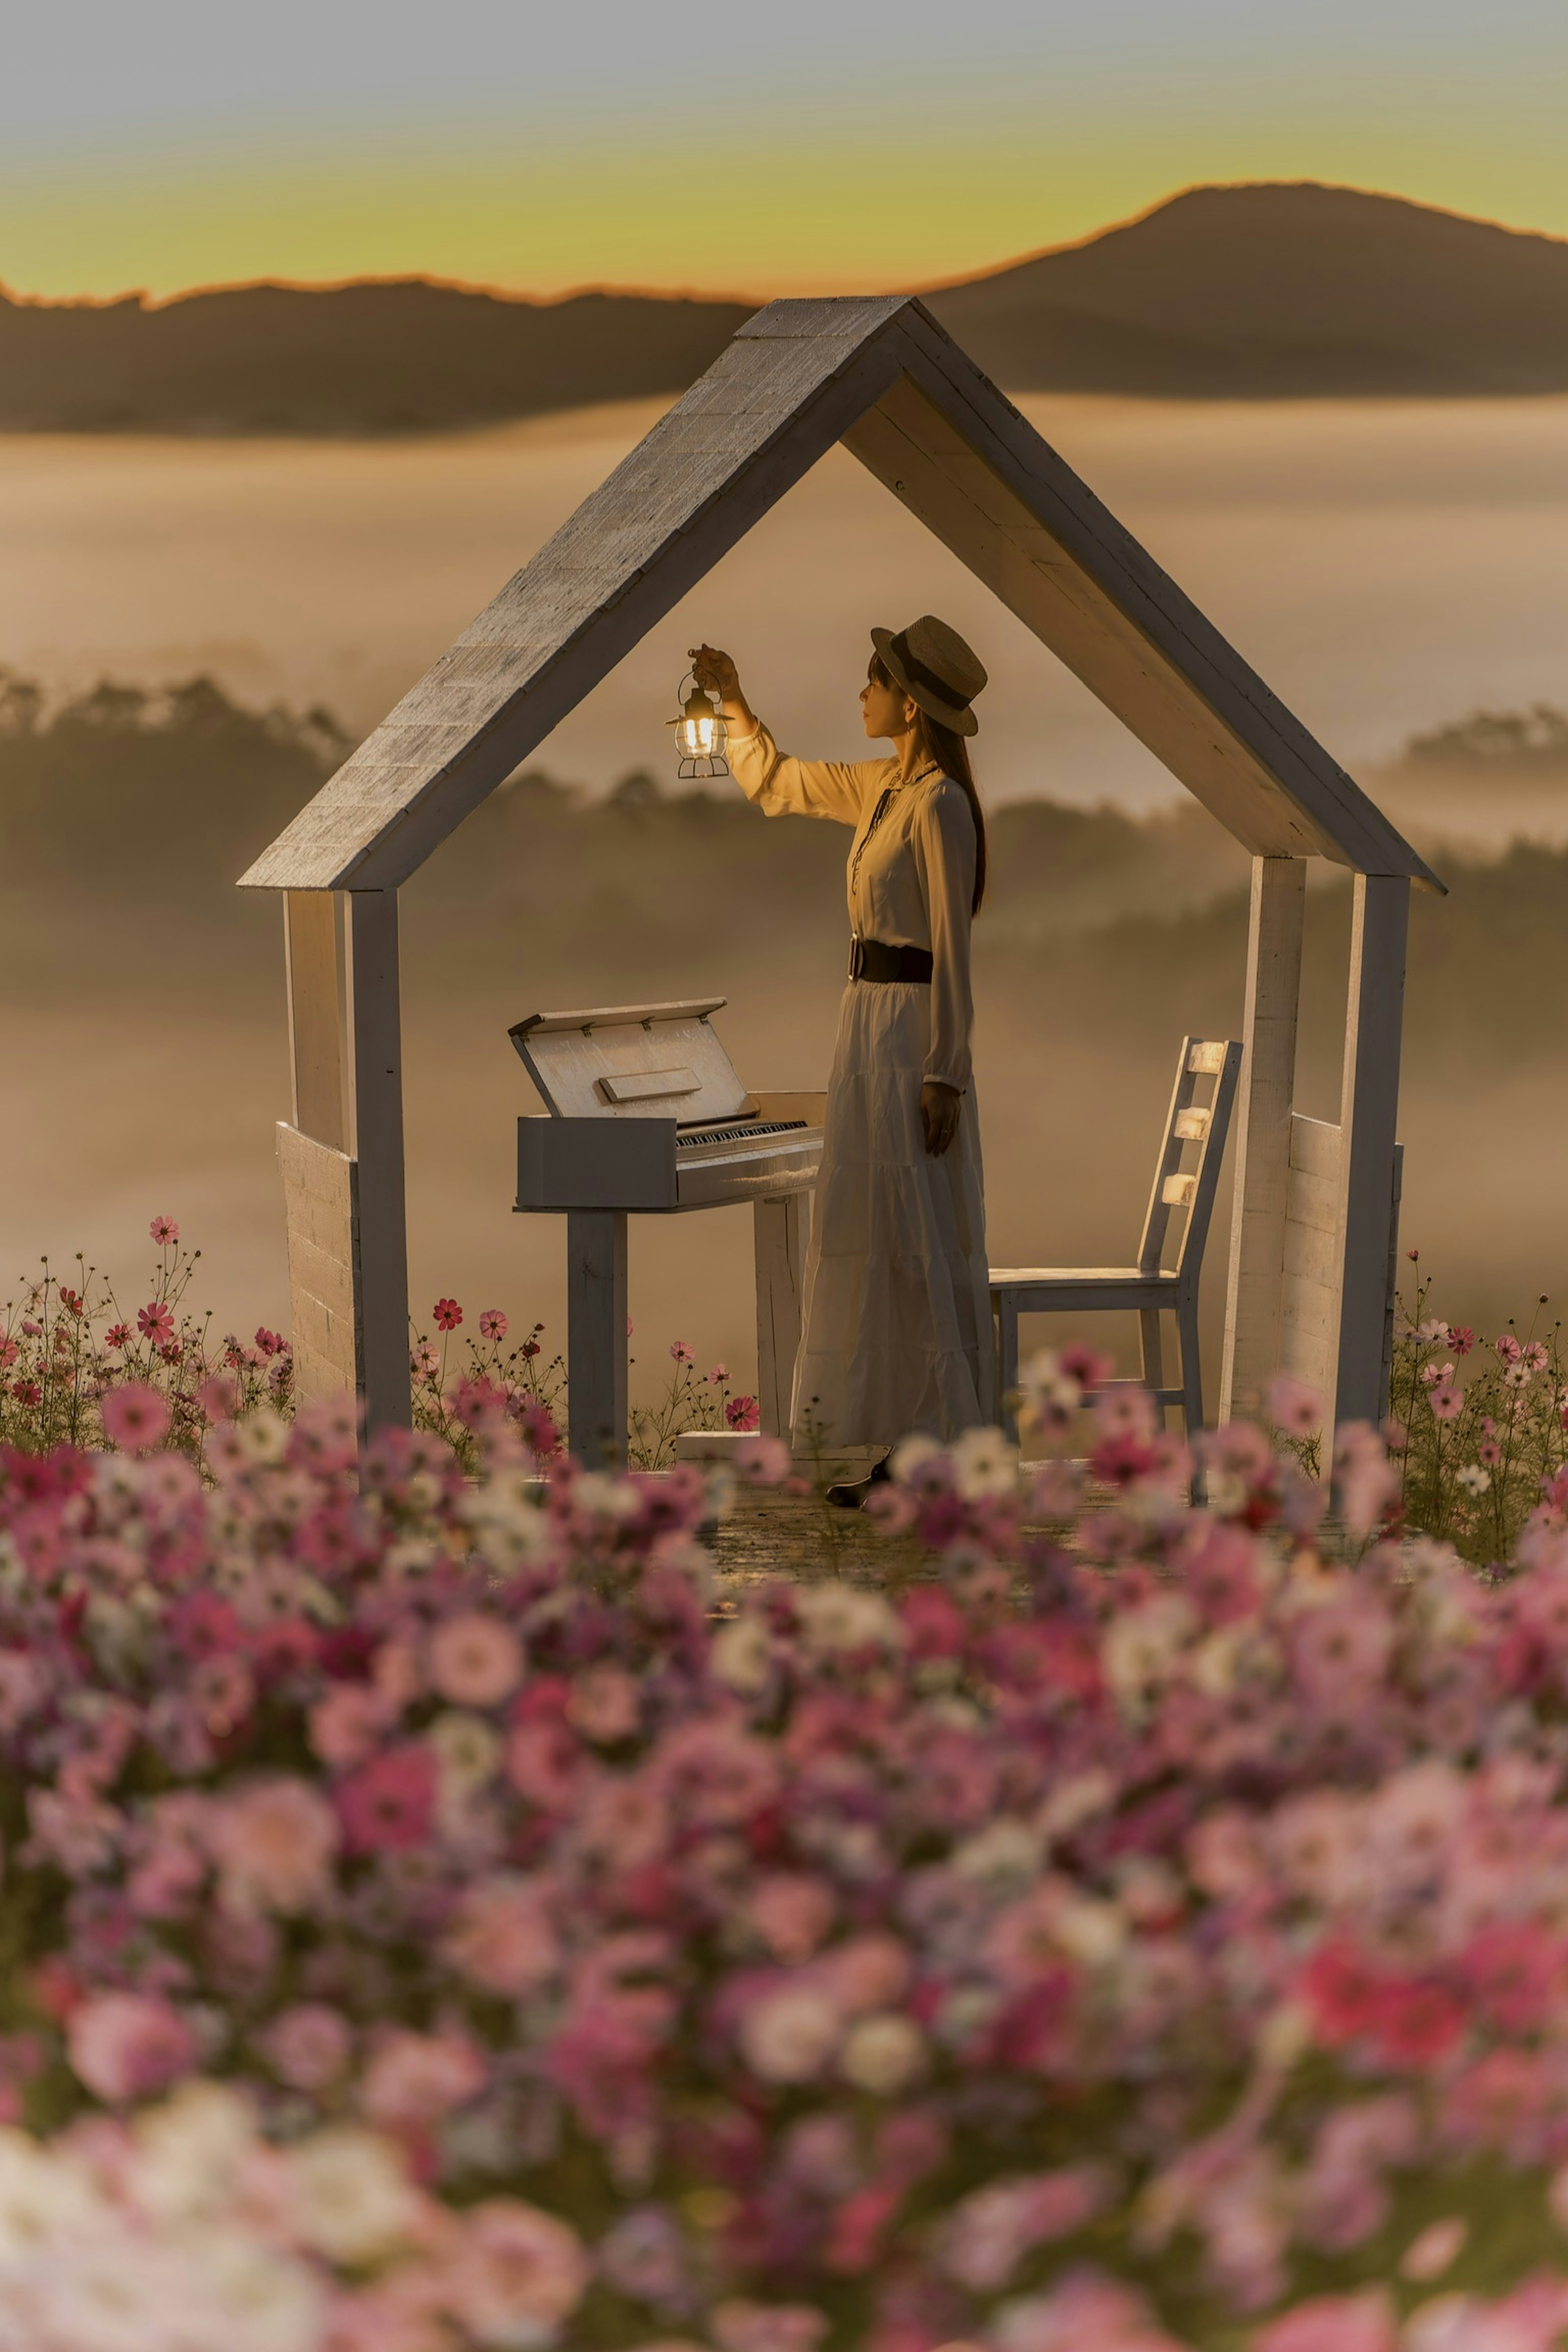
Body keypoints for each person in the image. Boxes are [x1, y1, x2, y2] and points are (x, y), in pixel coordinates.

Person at [690, 618, 994, 1505]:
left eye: (873, 683)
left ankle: (938, 1451)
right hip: (863, 1024)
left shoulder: (939, 803)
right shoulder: (881, 790)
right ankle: (908, 1443)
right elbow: (780, 785)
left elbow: (952, 950)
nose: (859, 697)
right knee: (876, 1225)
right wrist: (736, 704)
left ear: (909, 704)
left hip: (909, 1031)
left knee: (914, 1234)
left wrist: (948, 1070)